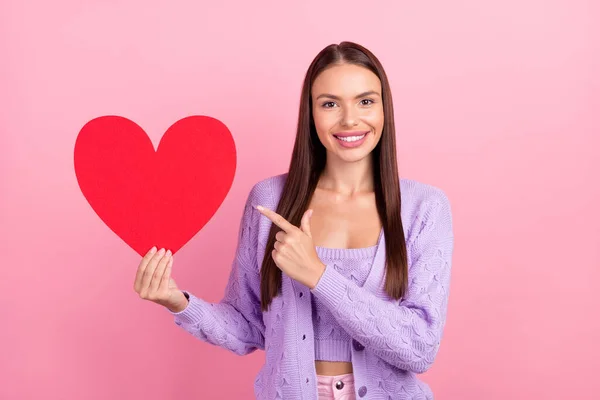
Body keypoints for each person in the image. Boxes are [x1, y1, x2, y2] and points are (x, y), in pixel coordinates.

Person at [133, 41, 454, 400]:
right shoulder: (270, 201)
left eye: (365, 101)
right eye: (330, 104)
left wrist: (318, 276)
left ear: (384, 109)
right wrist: (178, 301)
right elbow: (248, 327)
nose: (349, 119)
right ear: (310, 114)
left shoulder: (424, 208)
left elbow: (420, 348)